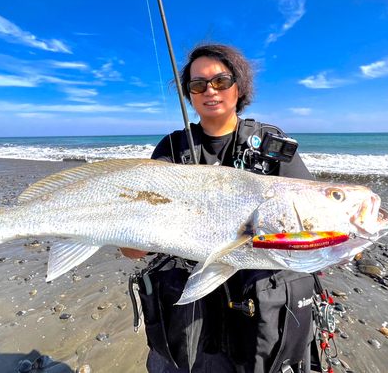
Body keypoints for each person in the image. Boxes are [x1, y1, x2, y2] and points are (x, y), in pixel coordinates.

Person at [123, 43, 315, 373]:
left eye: (221, 81)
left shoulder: (272, 146)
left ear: (239, 86)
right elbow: (131, 249)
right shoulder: (170, 149)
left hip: (258, 309)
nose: (210, 90)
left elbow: (310, 219)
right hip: (186, 311)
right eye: (198, 85)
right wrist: (133, 238)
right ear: (190, 94)